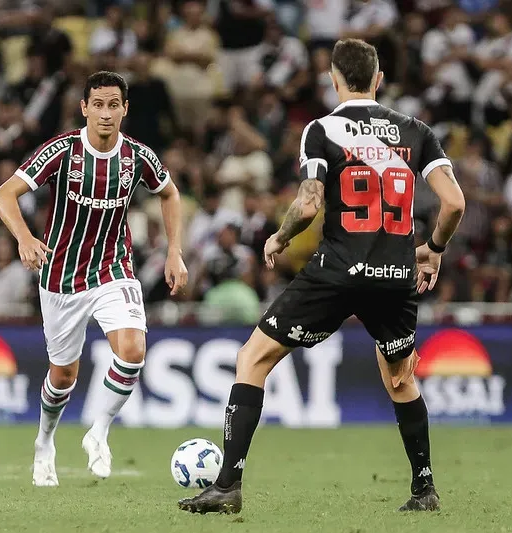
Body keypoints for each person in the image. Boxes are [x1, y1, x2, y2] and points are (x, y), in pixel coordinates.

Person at [178, 39, 465, 514]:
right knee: (400, 379)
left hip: (338, 271)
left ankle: (227, 487)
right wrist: (433, 251)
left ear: (333, 80)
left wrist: (280, 236)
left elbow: (309, 204)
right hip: (396, 275)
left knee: (252, 358)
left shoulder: (322, 129)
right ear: (378, 80)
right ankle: (424, 489)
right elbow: (454, 203)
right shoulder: (417, 132)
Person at [0, 71, 189, 487]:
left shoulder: (138, 156)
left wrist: (174, 250)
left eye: (113, 105)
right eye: (97, 104)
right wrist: (24, 237)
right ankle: (44, 442)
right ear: (84, 108)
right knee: (63, 376)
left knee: (132, 351)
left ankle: (98, 431)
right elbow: (4, 194)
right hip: (61, 277)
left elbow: (170, 193)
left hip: (113, 269)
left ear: (125, 109)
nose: (105, 113)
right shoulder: (62, 151)